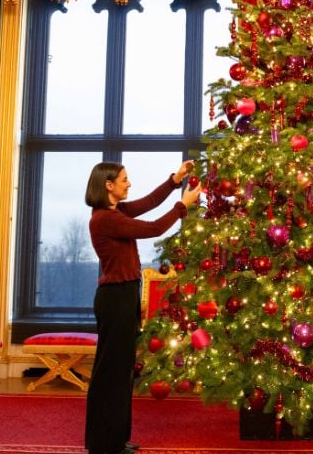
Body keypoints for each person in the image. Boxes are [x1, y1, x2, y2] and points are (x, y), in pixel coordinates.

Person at [83, 160, 202, 454]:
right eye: (124, 179)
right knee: (112, 373)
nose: (129, 183)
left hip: (124, 295)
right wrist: (182, 205)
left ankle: (115, 440)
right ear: (108, 185)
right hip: (115, 299)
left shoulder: (116, 210)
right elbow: (153, 228)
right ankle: (104, 444)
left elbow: (149, 203)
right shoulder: (105, 219)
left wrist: (176, 179)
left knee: (122, 372)